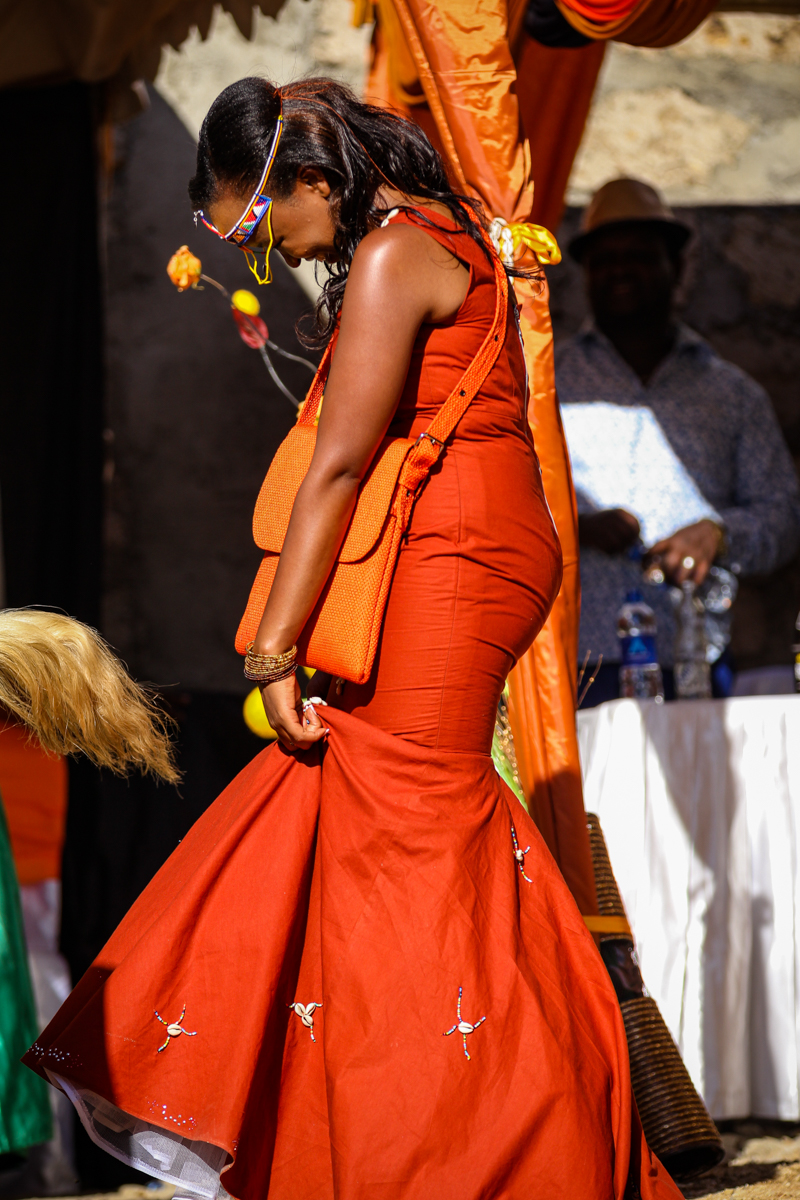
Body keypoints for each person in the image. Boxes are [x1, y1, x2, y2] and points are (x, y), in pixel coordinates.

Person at [25, 81, 681, 1200]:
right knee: (364, 820)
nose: (269, 248)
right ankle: (417, 1126)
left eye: (262, 220)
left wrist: (270, 652)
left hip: (453, 559)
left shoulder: (390, 257)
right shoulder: (433, 236)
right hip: (465, 549)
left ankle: (501, 1139)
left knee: (407, 832)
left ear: (315, 183)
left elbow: (337, 463)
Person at [557, 178, 800, 704]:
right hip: (576, 662)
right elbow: (497, 503)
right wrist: (573, 526)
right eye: (605, 258)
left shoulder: (732, 393)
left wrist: (719, 533)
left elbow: (783, 515)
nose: (621, 269)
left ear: (677, 268)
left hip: (695, 661)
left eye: (640, 256)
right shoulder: (546, 383)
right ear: (586, 273)